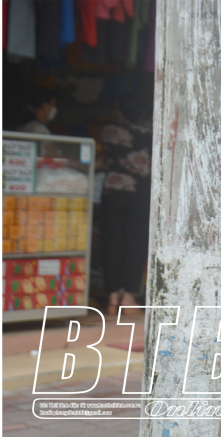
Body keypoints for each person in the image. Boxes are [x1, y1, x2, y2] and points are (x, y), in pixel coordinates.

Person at [99, 93, 152, 316]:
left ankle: (112, 297)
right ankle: (129, 297)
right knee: (135, 244)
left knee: (111, 243)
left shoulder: (109, 132)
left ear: (118, 110)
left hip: (113, 193)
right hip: (139, 195)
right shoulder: (148, 134)